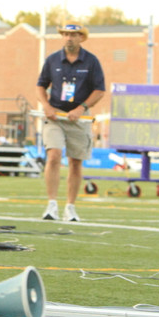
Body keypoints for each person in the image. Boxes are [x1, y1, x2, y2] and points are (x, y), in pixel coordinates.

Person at [36, 23, 105, 222]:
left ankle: (70, 206)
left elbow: (99, 90)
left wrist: (81, 107)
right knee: (54, 155)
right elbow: (40, 86)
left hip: (78, 118)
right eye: (66, 34)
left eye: (73, 35)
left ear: (81, 38)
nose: (69, 38)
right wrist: (46, 106)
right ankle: (51, 205)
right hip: (55, 116)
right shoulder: (52, 60)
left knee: (75, 162)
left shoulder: (91, 62)